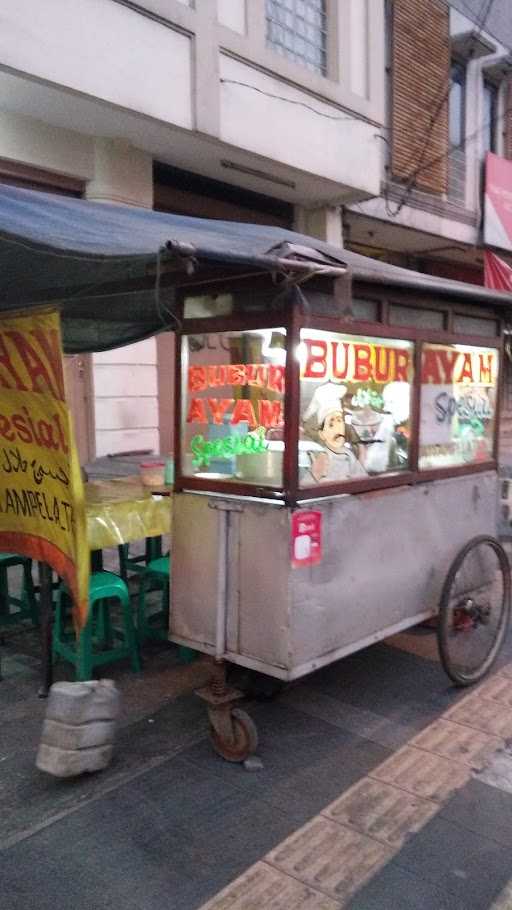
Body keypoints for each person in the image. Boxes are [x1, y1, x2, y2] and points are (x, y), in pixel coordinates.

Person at [302, 382, 366, 483]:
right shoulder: (315, 455)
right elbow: (303, 487)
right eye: (331, 425)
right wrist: (314, 475)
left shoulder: (348, 455)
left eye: (339, 421)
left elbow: (363, 481)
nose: (337, 429)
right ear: (321, 433)